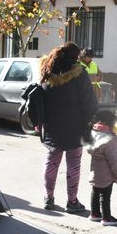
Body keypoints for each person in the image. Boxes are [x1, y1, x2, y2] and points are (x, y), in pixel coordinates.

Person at [40, 42, 98, 212]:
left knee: (51, 161)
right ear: (75, 56)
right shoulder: (79, 74)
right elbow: (88, 100)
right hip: (75, 126)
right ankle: (72, 202)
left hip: (52, 126)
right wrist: (91, 119)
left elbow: (41, 97)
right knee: (74, 162)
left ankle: (48, 198)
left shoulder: (47, 72)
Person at [85, 110, 117, 226]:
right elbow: (114, 161)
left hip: (94, 172)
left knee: (95, 191)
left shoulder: (92, 134)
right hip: (106, 174)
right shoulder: (108, 140)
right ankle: (106, 217)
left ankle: (95, 214)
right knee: (105, 196)